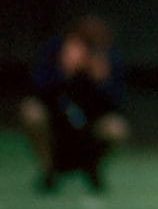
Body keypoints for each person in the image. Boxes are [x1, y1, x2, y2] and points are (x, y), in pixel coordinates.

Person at [19, 15, 129, 192]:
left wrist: (100, 80)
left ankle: (92, 167)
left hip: (89, 129)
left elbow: (116, 102)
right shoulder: (54, 51)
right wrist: (64, 71)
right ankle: (48, 171)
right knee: (31, 112)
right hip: (57, 125)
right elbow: (35, 88)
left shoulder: (109, 57)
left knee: (116, 127)